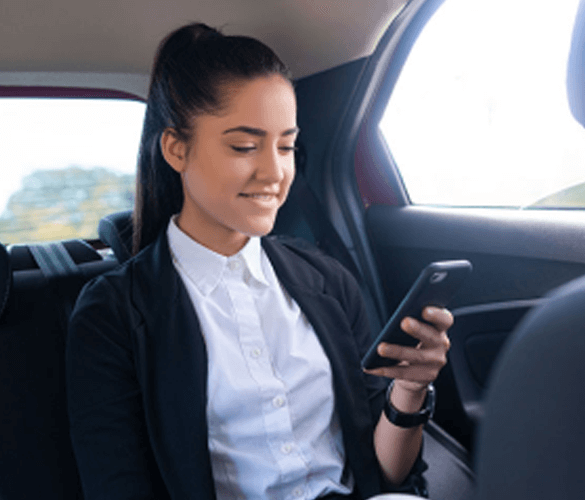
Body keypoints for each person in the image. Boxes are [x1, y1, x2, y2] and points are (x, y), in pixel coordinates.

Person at [66, 22, 453, 500]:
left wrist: (410, 391)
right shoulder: (112, 315)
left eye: (286, 146)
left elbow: (386, 475)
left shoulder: (326, 280)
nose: (274, 172)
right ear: (176, 148)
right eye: (244, 146)